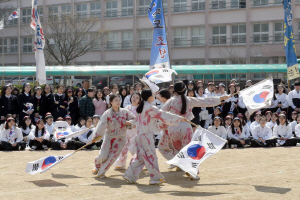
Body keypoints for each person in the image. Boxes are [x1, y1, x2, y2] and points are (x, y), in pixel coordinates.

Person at [122, 89, 187, 184]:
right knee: (151, 157)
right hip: (146, 136)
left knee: (140, 157)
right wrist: (179, 118)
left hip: (140, 136)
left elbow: (137, 120)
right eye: (153, 95)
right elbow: (163, 115)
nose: (154, 96)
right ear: (149, 97)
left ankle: (130, 175)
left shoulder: (141, 107)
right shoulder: (149, 107)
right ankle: (155, 178)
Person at [159, 81, 228, 169]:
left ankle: (179, 165)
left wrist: (164, 125)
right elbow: (205, 101)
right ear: (185, 89)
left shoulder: (171, 101)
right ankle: (192, 171)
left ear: (174, 90)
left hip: (173, 128)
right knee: (189, 150)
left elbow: (160, 113)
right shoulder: (189, 99)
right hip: (186, 127)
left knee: (177, 150)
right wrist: (221, 98)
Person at [91, 94, 136, 178]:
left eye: (119, 100)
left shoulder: (125, 112)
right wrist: (96, 137)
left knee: (113, 157)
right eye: (116, 100)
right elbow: (101, 125)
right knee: (103, 155)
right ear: (111, 102)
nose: (118, 102)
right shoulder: (107, 113)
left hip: (121, 138)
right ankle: (97, 165)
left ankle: (102, 171)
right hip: (109, 137)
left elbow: (134, 119)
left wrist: (130, 123)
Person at [114, 92, 141, 169]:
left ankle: (139, 162)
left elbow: (140, 120)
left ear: (139, 100)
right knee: (123, 147)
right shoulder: (127, 108)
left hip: (135, 131)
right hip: (126, 130)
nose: (134, 99)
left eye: (137, 98)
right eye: (133, 97)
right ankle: (120, 164)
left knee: (133, 149)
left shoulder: (140, 108)